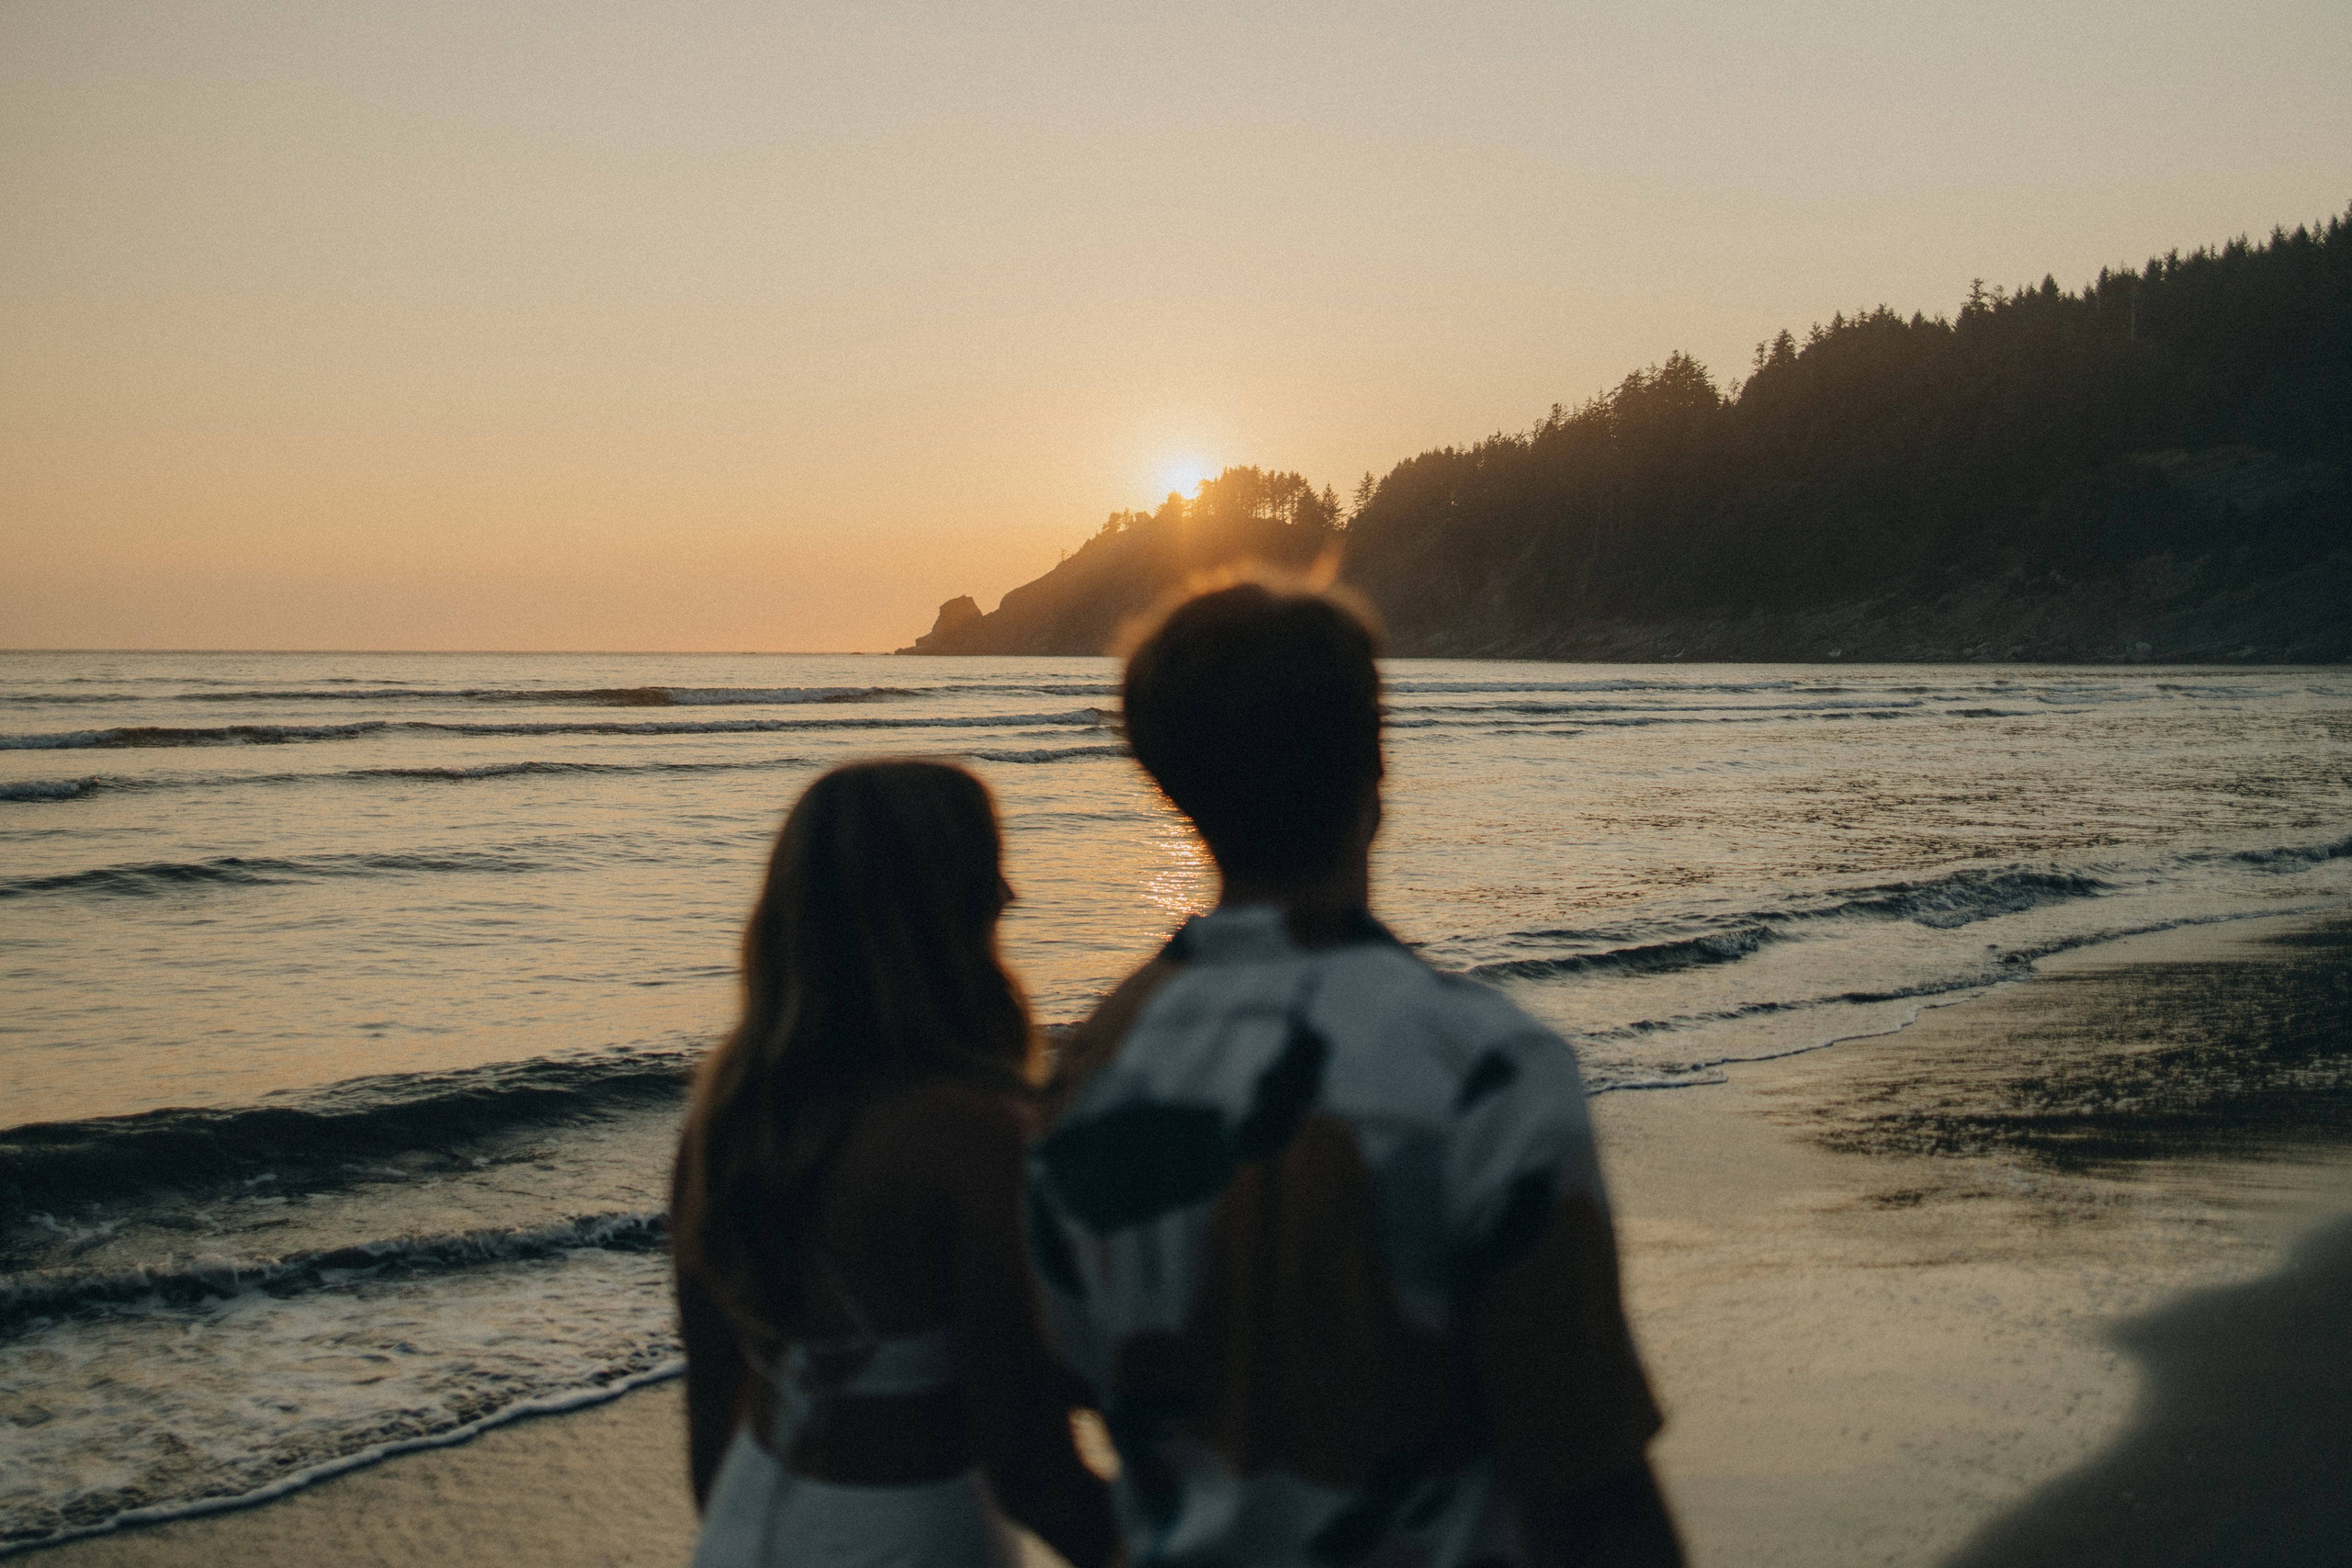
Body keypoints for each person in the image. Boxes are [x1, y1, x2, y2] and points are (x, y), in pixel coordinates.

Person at [1027, 578, 1683, 1568]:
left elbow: (1056, 1407)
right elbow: (1589, 1488)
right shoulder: (1486, 1073)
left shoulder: (1082, 1079)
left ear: (1173, 788)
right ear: (1375, 769)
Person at [672, 760, 1119, 1568]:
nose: (1010, 895)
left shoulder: (726, 1120)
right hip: (911, 1536)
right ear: (940, 908)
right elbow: (1031, 1467)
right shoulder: (973, 1139)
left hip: (746, 1519)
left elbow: (712, 1406)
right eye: (988, 871)